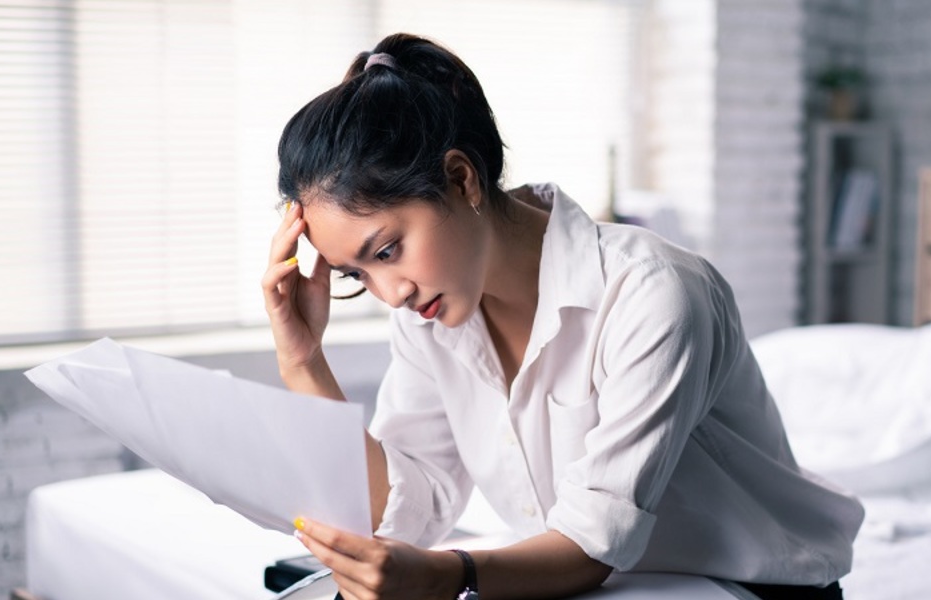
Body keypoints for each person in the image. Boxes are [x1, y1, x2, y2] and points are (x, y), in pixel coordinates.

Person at [262, 33, 864, 600]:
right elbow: (407, 509)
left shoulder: (654, 293)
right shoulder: (430, 315)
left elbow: (594, 541)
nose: (390, 292)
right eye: (358, 275)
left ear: (459, 177)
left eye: (386, 251)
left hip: (753, 587)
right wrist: (304, 363)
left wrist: (449, 579)